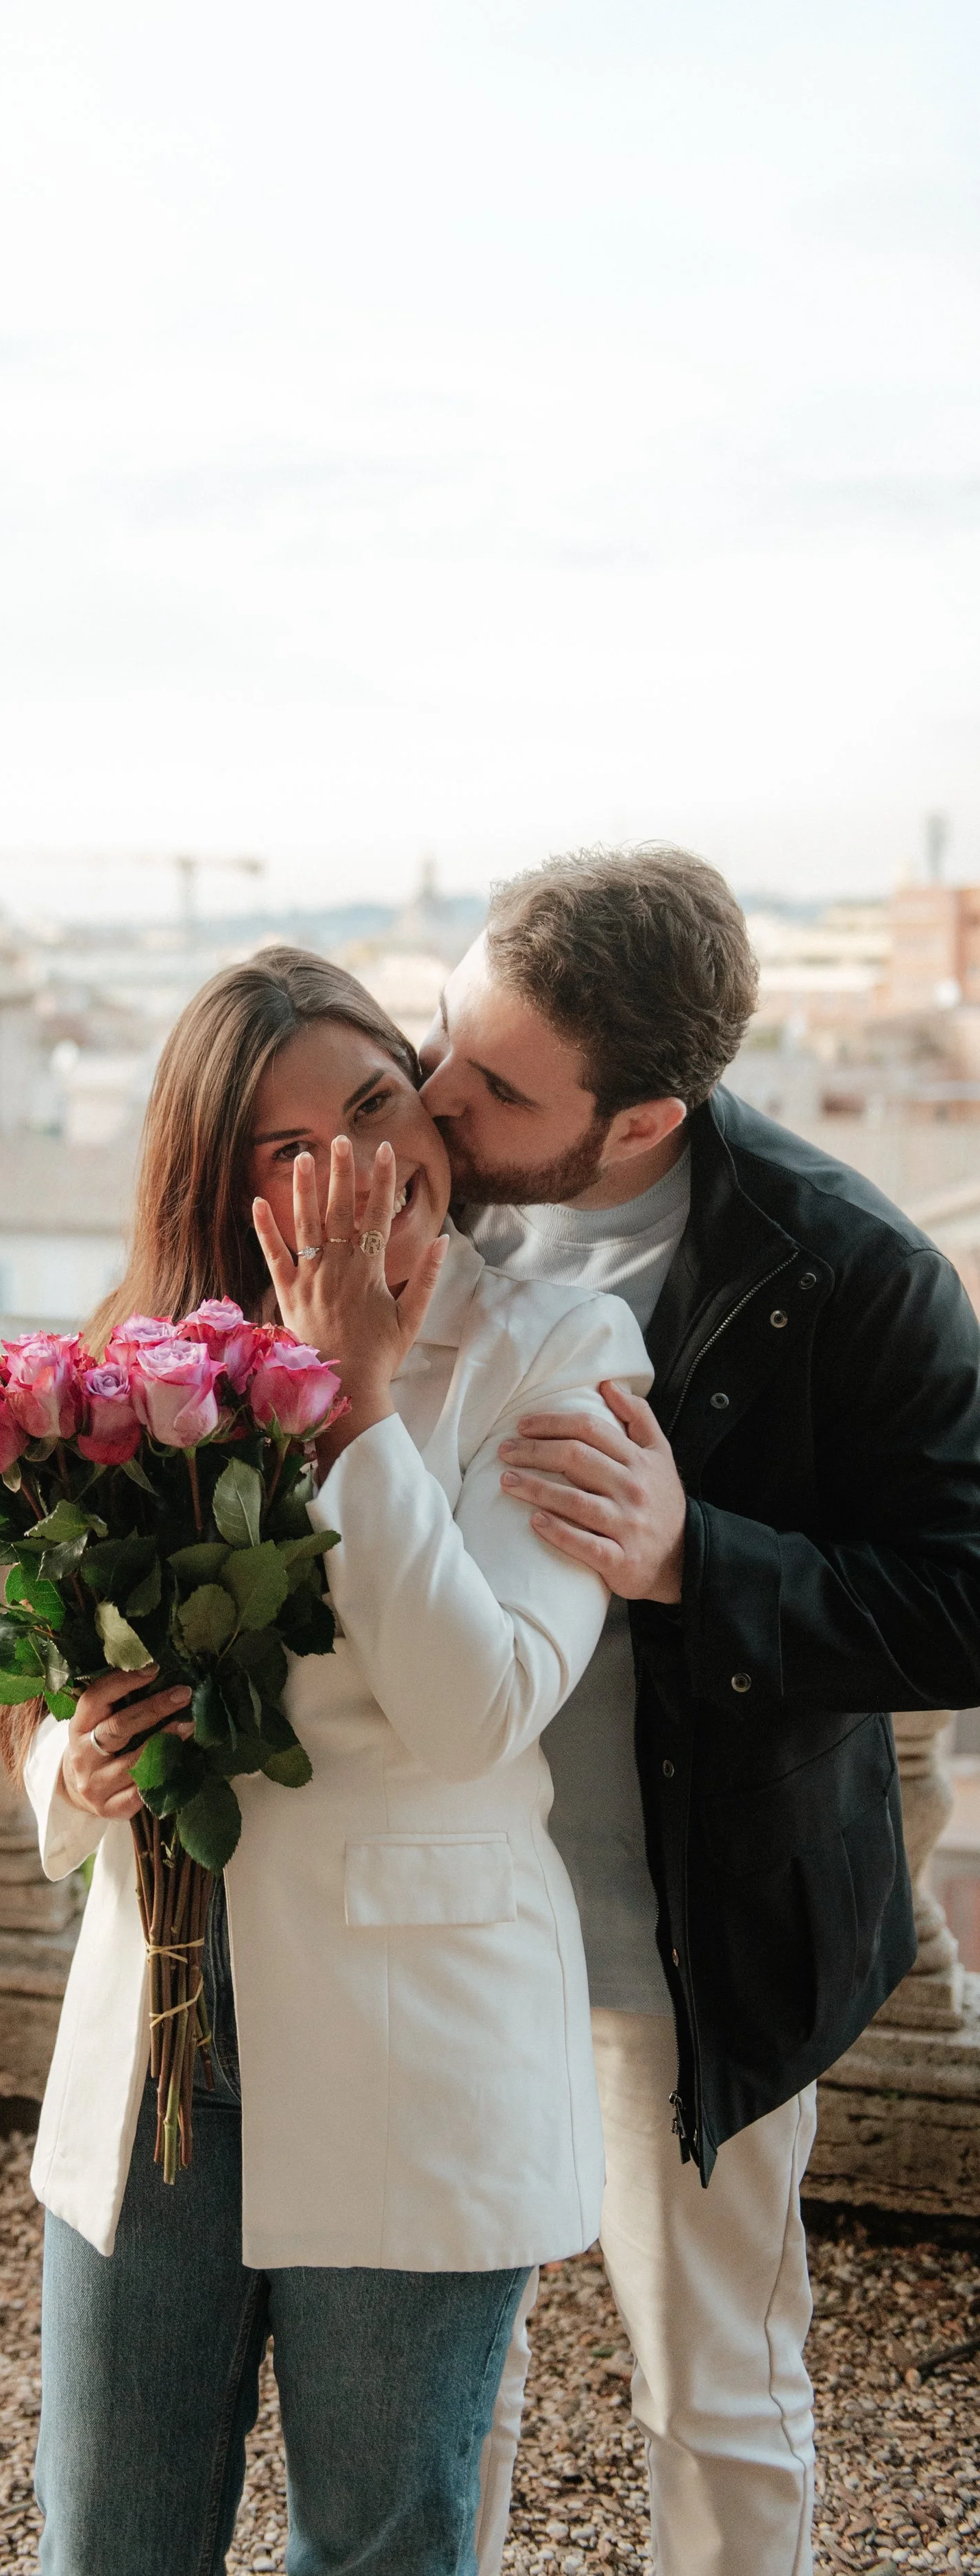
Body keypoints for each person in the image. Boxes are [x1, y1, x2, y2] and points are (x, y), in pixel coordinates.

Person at [18, 949, 651, 2576]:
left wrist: (357, 1403)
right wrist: (74, 1775)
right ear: (222, 1194)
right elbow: (52, 1709)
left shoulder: (560, 1350)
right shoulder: (144, 1362)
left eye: (373, 1104)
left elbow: (478, 1707)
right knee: (108, 2541)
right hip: (161, 2035)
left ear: (424, 1089)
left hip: (407, 2039)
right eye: (283, 1154)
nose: (350, 1168)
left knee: (376, 2543)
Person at [415, 846, 980, 2576]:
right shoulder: (400, 1169)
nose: (430, 1094)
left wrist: (695, 1561)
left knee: (715, 2392)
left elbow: (960, 1596)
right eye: (445, 1036)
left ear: (640, 1120)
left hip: (699, 1939)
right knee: (443, 2386)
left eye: (495, 1085)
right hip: (438, 1913)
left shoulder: (854, 1271)